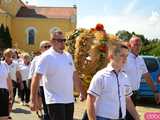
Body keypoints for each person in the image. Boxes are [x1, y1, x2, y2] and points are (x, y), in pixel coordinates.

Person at [30, 31, 85, 120]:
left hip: (69, 99)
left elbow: (74, 75)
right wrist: (33, 99)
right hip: (54, 100)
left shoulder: (68, 56)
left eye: (64, 40)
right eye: (60, 40)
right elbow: (36, 78)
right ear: (52, 41)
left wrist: (81, 92)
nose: (63, 42)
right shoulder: (46, 57)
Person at [87, 42, 140, 120]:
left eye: (126, 56)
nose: (125, 59)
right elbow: (90, 100)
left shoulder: (125, 77)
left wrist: (137, 117)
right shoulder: (101, 76)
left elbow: (128, 100)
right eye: (122, 56)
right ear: (111, 57)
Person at [124, 36, 160, 120]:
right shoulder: (124, 58)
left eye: (139, 45)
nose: (138, 47)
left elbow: (147, 76)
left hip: (135, 94)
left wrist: (155, 91)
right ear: (130, 45)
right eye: (135, 44)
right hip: (123, 95)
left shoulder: (140, 60)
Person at [29, 40, 51, 120]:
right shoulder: (36, 59)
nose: (48, 48)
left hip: (53, 87)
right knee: (46, 107)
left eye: (49, 46)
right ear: (41, 49)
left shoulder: (54, 57)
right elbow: (32, 74)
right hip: (42, 86)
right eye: (46, 46)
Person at [0, 54, 13, 120]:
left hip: (3, 93)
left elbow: (9, 80)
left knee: (4, 116)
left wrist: (11, 93)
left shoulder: (4, 65)